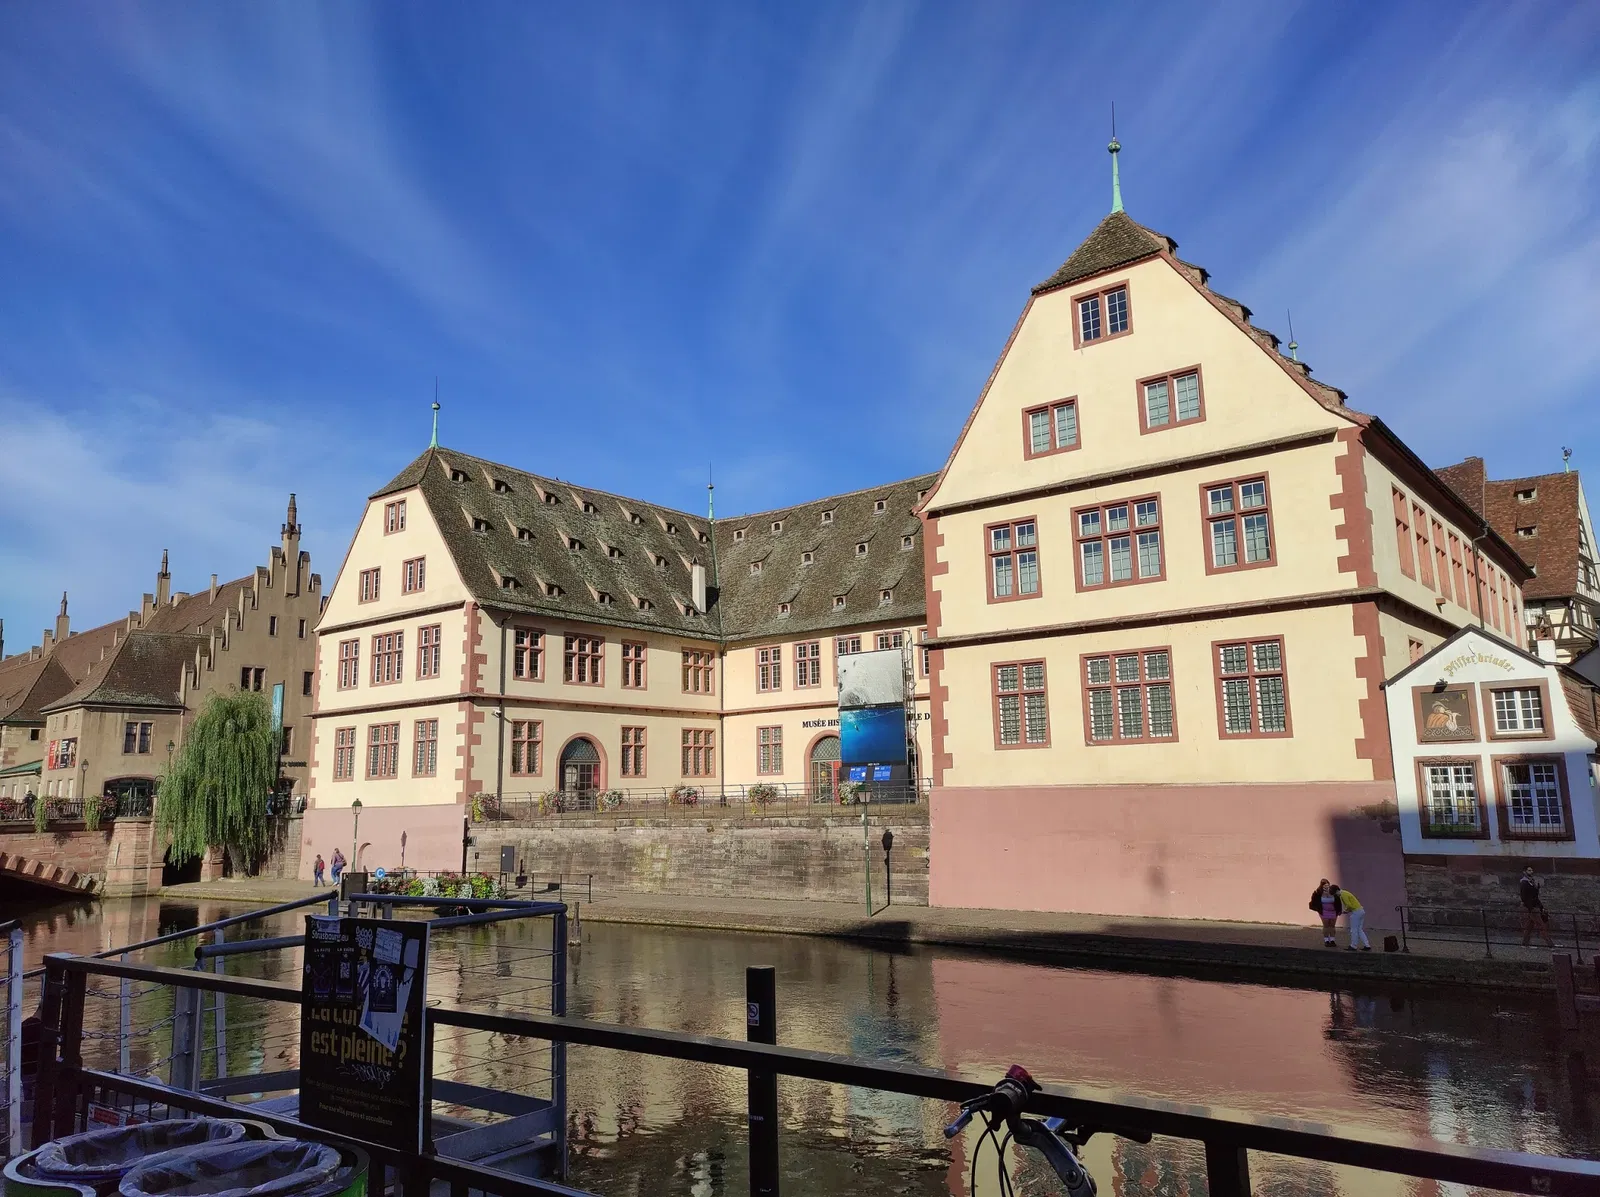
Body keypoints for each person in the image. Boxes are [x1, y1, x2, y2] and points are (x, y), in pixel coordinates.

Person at [1520, 866, 1554, 948]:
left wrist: (1541, 906)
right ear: (1524, 872)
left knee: (1529, 926)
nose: (1531, 871)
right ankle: (1550, 945)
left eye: (1532, 870)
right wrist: (1530, 907)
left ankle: (1524, 944)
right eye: (1529, 870)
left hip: (1534, 906)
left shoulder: (1531, 881)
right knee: (1541, 925)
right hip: (1531, 907)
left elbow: (1535, 896)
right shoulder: (1524, 882)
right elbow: (1524, 896)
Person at [1334, 885, 1369, 951]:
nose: (1336, 896)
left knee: (1354, 930)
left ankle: (1353, 946)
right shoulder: (1345, 892)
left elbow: (1349, 905)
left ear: (1337, 891)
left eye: (1335, 894)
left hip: (1356, 913)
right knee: (1359, 929)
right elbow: (1351, 904)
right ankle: (1367, 945)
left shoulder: (1343, 895)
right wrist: (1347, 911)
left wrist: (1346, 911)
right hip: (1361, 911)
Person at [1310, 879, 1339, 947]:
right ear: (1322, 886)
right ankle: (1326, 940)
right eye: (1325, 885)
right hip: (1324, 912)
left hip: (1333, 911)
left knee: (1332, 926)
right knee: (1326, 926)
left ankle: (1332, 940)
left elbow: (1338, 901)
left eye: (1327, 885)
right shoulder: (1318, 893)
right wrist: (1318, 909)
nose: (1326, 887)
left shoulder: (1333, 892)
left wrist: (1338, 910)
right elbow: (1313, 902)